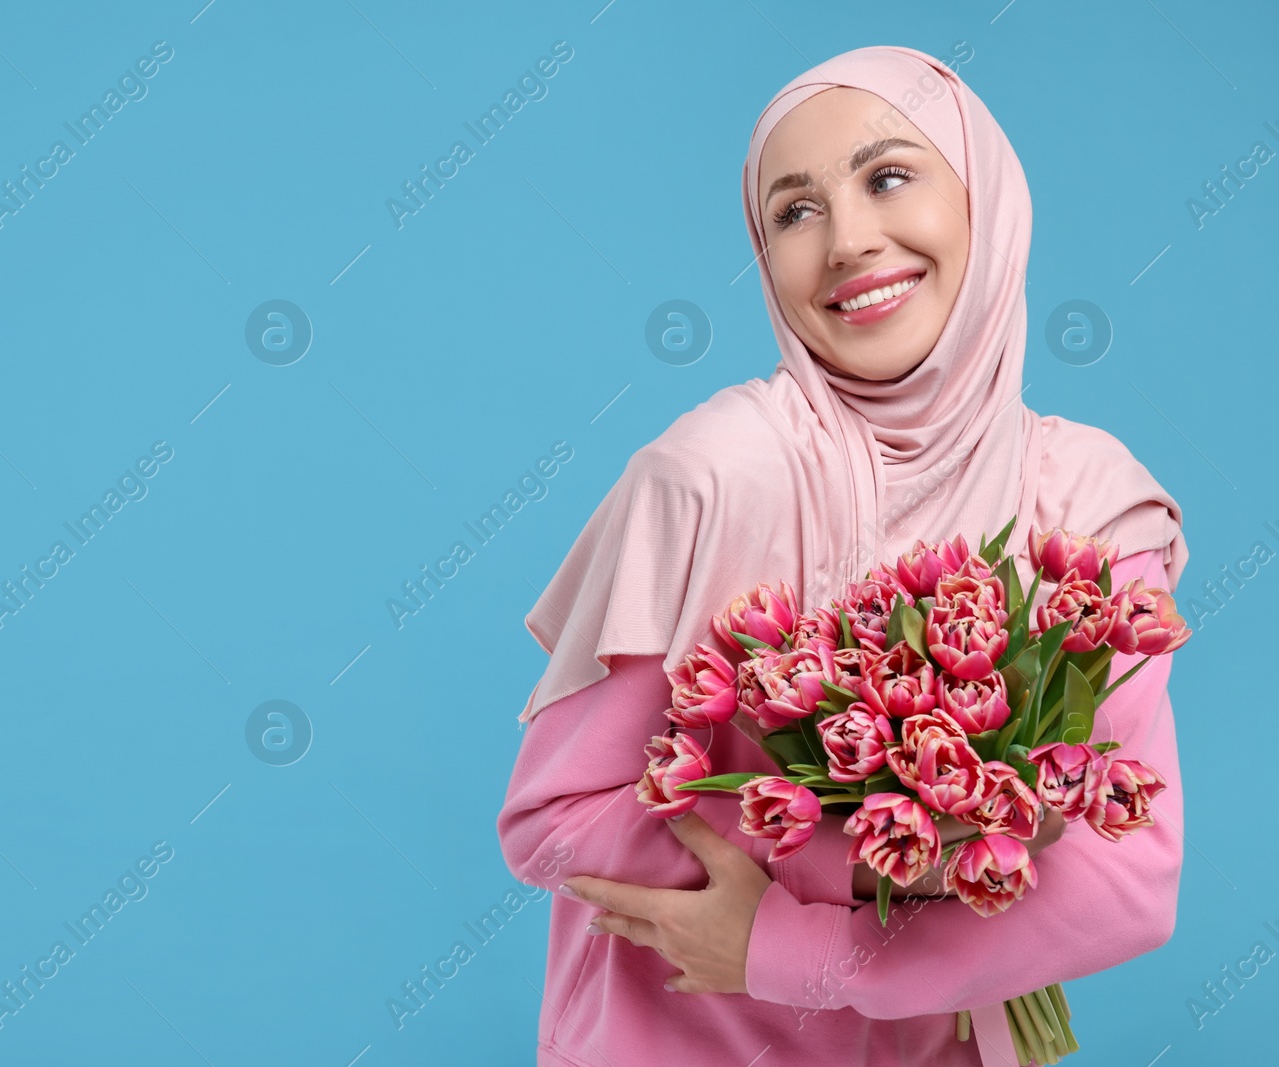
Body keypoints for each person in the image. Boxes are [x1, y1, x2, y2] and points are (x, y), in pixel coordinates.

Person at [496, 45, 1188, 1067]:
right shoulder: (707, 476)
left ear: (982, 198)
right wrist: (894, 864)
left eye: (888, 176)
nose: (848, 241)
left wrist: (798, 942)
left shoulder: (1083, 504)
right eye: (794, 210)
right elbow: (552, 821)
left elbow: (1124, 884)